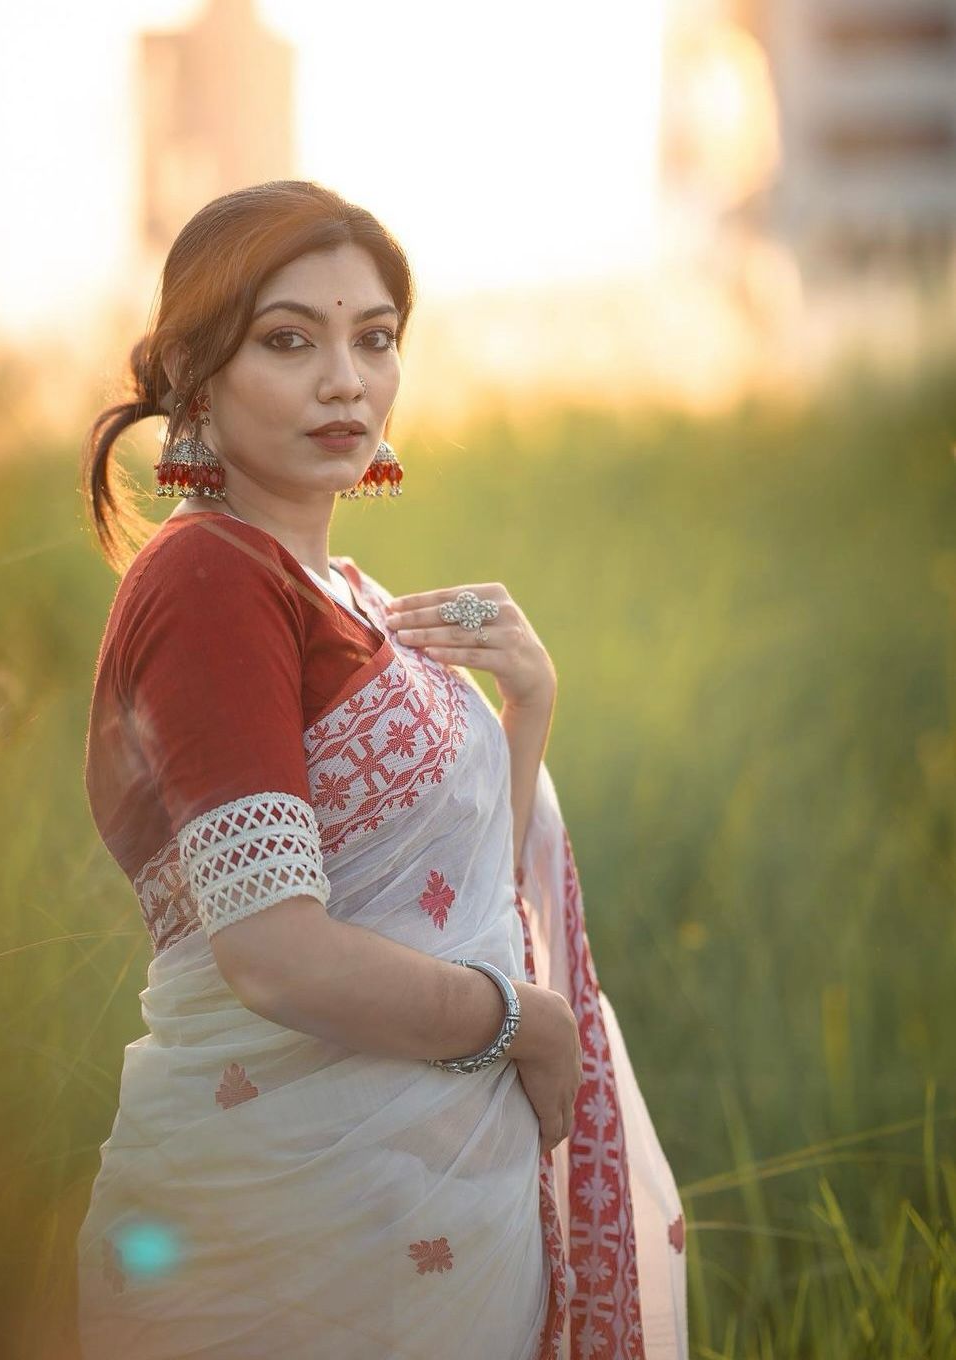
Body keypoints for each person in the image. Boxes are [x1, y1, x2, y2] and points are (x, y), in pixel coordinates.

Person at [76, 180, 687, 1360]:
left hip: (425, 1200)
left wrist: (528, 706)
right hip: (289, 1229)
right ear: (194, 372)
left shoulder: (350, 592)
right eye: (289, 340)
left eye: (375, 339)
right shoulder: (209, 582)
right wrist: (525, 1023)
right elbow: (275, 953)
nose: (345, 380)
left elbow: (457, 898)